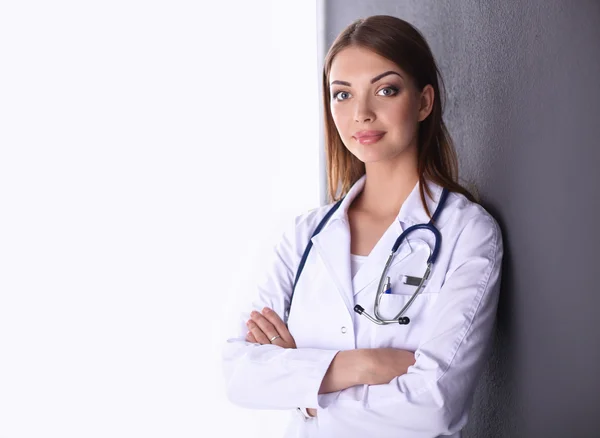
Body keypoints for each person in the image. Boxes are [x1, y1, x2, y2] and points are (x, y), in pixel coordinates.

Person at [222, 14, 504, 438]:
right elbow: (239, 373)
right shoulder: (305, 237)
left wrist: (307, 391)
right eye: (342, 95)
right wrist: (367, 365)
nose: (362, 114)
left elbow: (434, 405)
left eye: (385, 90)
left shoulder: (467, 233)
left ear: (424, 102)